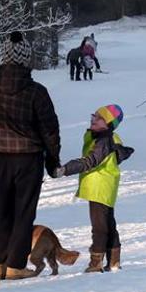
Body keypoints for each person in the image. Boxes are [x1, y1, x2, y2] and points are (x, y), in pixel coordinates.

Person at [0, 31, 61, 280]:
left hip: (0, 157)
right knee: (23, 212)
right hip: (29, 159)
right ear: (25, 59)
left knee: (1, 210)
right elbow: (50, 129)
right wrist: (53, 159)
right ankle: (15, 266)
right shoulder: (35, 92)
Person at [53, 104, 134, 273]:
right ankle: (114, 261)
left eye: (99, 118)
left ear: (108, 124)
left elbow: (90, 161)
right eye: (94, 115)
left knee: (99, 227)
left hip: (99, 186)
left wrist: (65, 169)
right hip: (105, 186)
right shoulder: (105, 138)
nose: (93, 119)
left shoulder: (103, 141)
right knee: (108, 224)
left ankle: (96, 263)